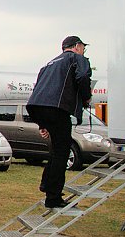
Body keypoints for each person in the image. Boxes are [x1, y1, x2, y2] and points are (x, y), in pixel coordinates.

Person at [26, 36, 92, 208]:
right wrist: (86, 97)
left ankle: (47, 185)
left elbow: (39, 87)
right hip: (56, 109)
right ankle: (53, 197)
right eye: (83, 47)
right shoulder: (77, 58)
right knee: (62, 152)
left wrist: (42, 124)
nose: (84, 50)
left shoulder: (49, 63)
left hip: (35, 107)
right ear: (77, 46)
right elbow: (83, 76)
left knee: (56, 149)